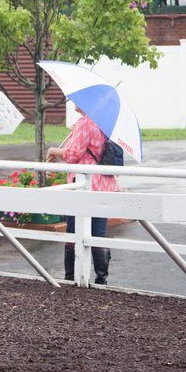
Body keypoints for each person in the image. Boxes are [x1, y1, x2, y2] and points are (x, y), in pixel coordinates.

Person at [46, 105, 119, 285]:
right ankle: (101, 280)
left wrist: (53, 151)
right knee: (98, 233)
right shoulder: (102, 123)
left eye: (76, 100)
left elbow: (72, 155)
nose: (72, 103)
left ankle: (71, 277)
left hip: (84, 185)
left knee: (74, 230)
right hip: (102, 184)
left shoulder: (85, 123)